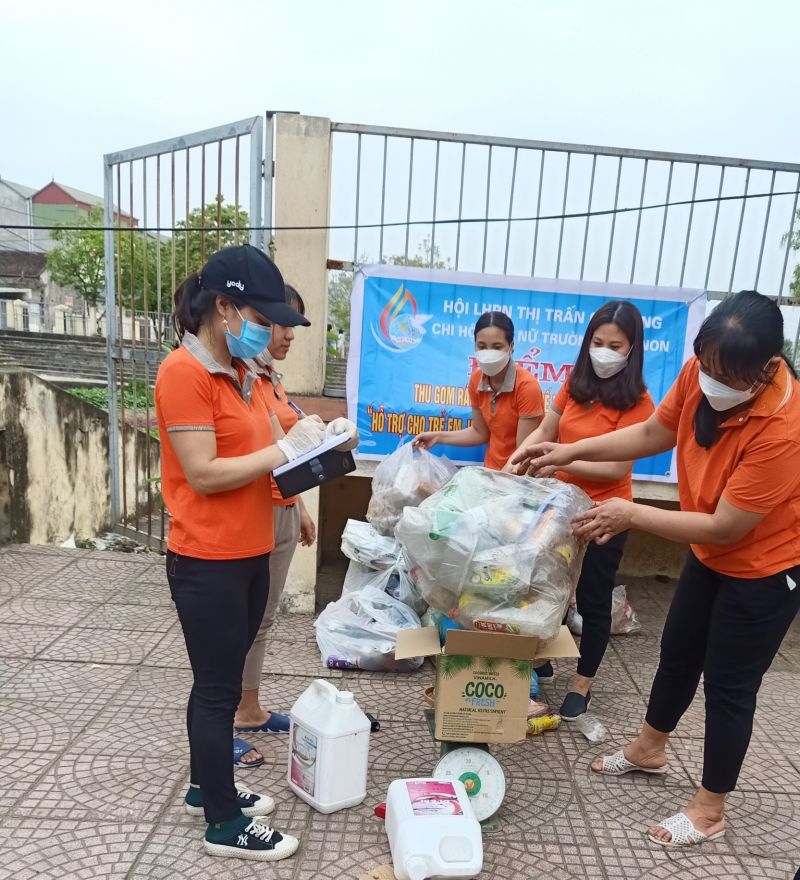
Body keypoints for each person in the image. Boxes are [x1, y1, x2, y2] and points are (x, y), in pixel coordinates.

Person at [511, 290, 800, 848]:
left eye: (726, 375)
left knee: (729, 684)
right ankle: (650, 747)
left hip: (765, 566)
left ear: (766, 369)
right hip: (710, 554)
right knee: (677, 652)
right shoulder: (705, 369)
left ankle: (711, 809)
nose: (711, 380)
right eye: (706, 366)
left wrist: (631, 512)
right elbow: (653, 434)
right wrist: (568, 451)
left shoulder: (785, 430)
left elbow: (724, 526)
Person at [156, 244, 357, 861]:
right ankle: (223, 822)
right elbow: (205, 473)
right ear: (223, 308)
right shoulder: (183, 373)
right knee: (217, 690)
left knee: (215, 683)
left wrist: (313, 450)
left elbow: (263, 462)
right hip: (207, 557)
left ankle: (204, 787)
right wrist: (281, 450)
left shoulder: (243, 375)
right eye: (261, 318)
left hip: (245, 550)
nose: (270, 331)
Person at [509, 301, 654, 721]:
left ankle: (582, 682)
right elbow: (546, 429)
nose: (604, 351)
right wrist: (518, 460)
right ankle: (541, 659)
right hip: (558, 505)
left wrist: (560, 462)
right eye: (598, 342)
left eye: (615, 345)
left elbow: (616, 466)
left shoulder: (638, 403)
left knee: (591, 600)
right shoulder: (575, 383)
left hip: (605, 513)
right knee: (543, 586)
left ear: (632, 350)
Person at [233, 284, 318, 743]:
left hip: (282, 506)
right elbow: (267, 448)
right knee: (242, 619)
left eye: (294, 326)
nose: (289, 335)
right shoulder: (240, 377)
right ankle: (229, 712)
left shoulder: (270, 380)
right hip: (254, 513)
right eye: (282, 323)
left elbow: (287, 454)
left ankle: (249, 708)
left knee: (263, 617)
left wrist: (300, 507)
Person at [414, 311, 544, 469]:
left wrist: (500, 482)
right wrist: (437, 437)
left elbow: (523, 454)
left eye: (497, 347)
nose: (488, 353)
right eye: (482, 346)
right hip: (490, 472)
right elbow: (480, 432)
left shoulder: (527, 387)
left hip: (517, 478)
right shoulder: (476, 380)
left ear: (511, 346)